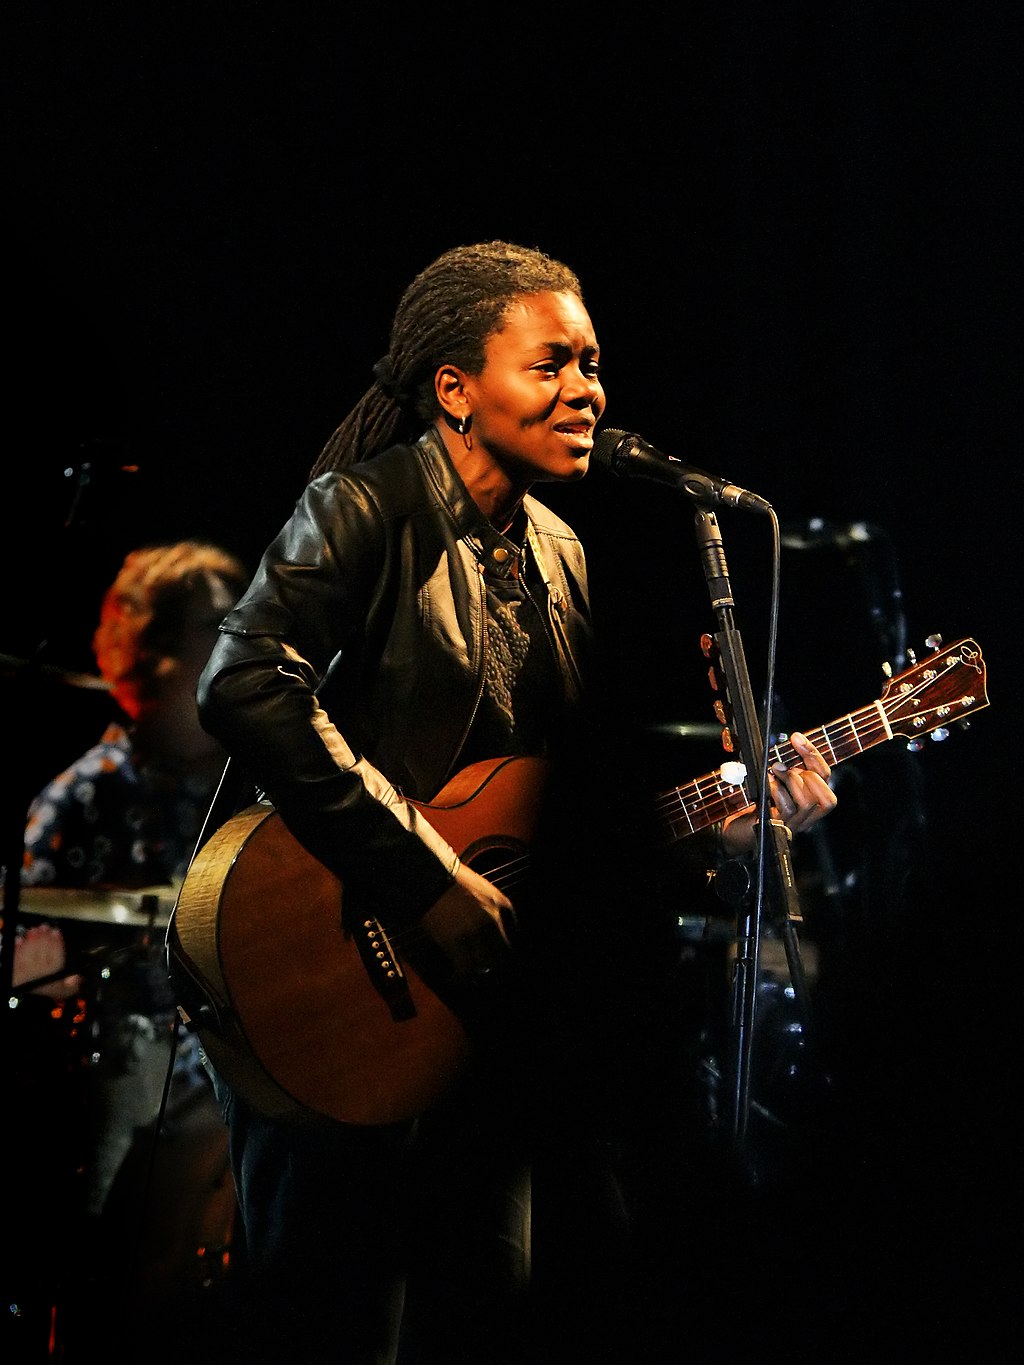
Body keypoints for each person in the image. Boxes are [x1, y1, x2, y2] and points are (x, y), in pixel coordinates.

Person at [183, 240, 838, 1365]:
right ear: (455, 389)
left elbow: (555, 823)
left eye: (592, 365)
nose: (585, 390)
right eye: (550, 364)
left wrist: (723, 836)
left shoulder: (562, 554)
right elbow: (243, 682)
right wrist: (424, 880)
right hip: (331, 978)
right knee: (331, 1328)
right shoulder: (363, 508)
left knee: (488, 1320)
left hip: (481, 1019)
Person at [14, 538, 249, 1357]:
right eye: (210, 638)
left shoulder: (253, 783)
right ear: (152, 661)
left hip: (250, 1072)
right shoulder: (82, 797)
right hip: (129, 1073)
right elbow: (30, 963)